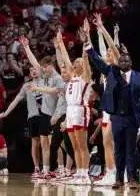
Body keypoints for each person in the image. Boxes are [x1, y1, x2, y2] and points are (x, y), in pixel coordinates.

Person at [82, 13, 140, 189]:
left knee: (130, 150)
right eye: (121, 59)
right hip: (115, 116)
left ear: (131, 62)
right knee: (117, 149)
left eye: (126, 59)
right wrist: (87, 42)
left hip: (133, 118)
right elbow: (97, 59)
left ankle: (131, 178)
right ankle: (118, 178)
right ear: (119, 62)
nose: (124, 61)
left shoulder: (139, 78)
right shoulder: (111, 71)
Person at [19, 36, 62, 182]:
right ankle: (45, 170)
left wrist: (37, 88)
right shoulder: (45, 75)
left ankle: (62, 170)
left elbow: (54, 91)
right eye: (42, 67)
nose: (42, 69)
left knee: (58, 144)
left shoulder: (58, 78)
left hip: (57, 114)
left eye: (45, 67)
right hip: (45, 114)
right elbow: (34, 63)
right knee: (44, 143)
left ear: (52, 65)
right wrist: (26, 47)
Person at [57, 20, 92, 185]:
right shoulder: (72, 77)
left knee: (81, 143)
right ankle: (78, 172)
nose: (76, 63)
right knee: (74, 145)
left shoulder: (85, 77)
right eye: (75, 62)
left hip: (80, 110)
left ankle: (85, 173)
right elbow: (65, 58)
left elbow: (85, 57)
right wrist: (60, 43)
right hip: (70, 111)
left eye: (78, 62)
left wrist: (86, 38)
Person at [0, 66, 44, 182]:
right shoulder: (26, 86)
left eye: (35, 69)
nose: (33, 71)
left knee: (47, 143)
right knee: (35, 143)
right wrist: (6, 113)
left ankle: (48, 169)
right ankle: (37, 169)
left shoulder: (46, 82)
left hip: (46, 117)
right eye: (31, 70)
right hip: (33, 117)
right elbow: (16, 100)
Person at [94, 20, 120, 186]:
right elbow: (103, 50)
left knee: (114, 143)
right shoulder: (105, 68)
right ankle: (109, 172)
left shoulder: (118, 67)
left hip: (117, 108)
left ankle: (117, 172)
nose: (108, 53)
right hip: (107, 108)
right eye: (107, 52)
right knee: (105, 143)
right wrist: (98, 32)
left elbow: (113, 47)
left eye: (111, 52)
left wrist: (105, 30)